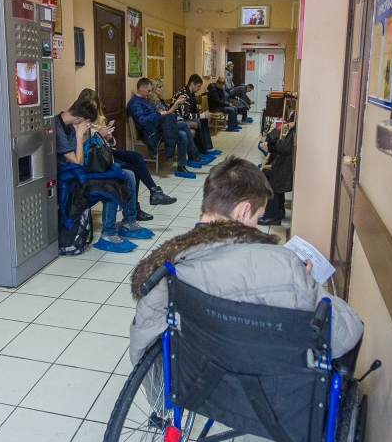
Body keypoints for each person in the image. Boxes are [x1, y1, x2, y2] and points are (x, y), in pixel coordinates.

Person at [128, 156, 363, 365]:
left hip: (194, 380)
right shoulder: (285, 269)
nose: (257, 226)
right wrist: (303, 282)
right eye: (258, 218)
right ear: (243, 211)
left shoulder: (166, 269)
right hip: (266, 384)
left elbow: (142, 348)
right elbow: (348, 332)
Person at [56, 97, 154, 253]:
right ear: (81, 119)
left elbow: (82, 155)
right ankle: (108, 234)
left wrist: (93, 136)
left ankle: (129, 222)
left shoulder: (71, 124)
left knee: (128, 174)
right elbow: (77, 163)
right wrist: (80, 135)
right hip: (69, 177)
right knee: (111, 183)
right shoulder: (59, 129)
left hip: (80, 169)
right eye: (87, 123)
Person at [77, 89, 177, 221]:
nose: (92, 111)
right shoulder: (80, 123)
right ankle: (138, 206)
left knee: (137, 157)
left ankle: (154, 192)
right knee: (132, 169)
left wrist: (109, 138)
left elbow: (108, 144)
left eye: (94, 107)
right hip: (94, 159)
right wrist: (99, 136)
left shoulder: (100, 118)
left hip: (105, 152)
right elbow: (84, 148)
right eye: (90, 107)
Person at [128, 78, 199, 179]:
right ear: (141, 87)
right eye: (148, 90)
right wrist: (159, 114)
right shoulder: (135, 103)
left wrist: (159, 114)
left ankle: (181, 166)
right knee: (182, 125)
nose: (149, 93)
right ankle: (193, 154)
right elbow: (142, 121)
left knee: (182, 134)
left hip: (156, 128)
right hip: (150, 133)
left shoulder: (144, 100)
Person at [147, 78, 215, 167]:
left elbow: (168, 113)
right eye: (160, 87)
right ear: (153, 88)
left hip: (170, 123)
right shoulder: (152, 102)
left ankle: (195, 154)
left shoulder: (160, 100)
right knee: (190, 125)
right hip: (164, 126)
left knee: (191, 130)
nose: (162, 89)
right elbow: (167, 115)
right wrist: (176, 103)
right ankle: (195, 153)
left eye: (162, 86)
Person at [172, 74, 223, 157]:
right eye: (198, 86)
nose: (199, 89)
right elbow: (186, 115)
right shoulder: (183, 95)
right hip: (178, 119)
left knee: (203, 120)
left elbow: (195, 108)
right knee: (198, 121)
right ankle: (200, 149)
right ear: (192, 84)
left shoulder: (191, 94)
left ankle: (208, 147)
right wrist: (202, 115)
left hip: (184, 118)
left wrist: (204, 113)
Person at [257, 116, 295, 225]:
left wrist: (271, 145)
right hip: (288, 162)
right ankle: (279, 210)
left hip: (288, 165)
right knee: (271, 172)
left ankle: (272, 215)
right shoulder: (298, 125)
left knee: (268, 175)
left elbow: (287, 145)